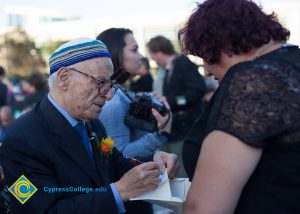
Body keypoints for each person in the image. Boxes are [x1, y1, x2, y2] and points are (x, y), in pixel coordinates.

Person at [0, 38, 179, 213]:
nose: (108, 96)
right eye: (101, 82)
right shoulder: (20, 138)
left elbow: (116, 164)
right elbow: (41, 209)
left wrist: (155, 165)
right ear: (64, 77)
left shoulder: (92, 124)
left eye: (111, 85)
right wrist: (118, 192)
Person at [178, 0, 300, 213]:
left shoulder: (253, 80)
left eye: (205, 57)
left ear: (222, 44)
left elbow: (204, 208)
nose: (206, 70)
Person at [97, 28, 174, 214]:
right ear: (116, 53)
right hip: (130, 199)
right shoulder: (113, 101)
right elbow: (120, 154)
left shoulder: (119, 92)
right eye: (134, 49)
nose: (141, 56)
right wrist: (161, 132)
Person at [147, 35, 206, 142]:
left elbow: (198, 90)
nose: (153, 60)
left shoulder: (182, 63)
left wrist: (171, 101)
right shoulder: (170, 67)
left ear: (159, 53)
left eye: (153, 56)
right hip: (181, 128)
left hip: (188, 127)